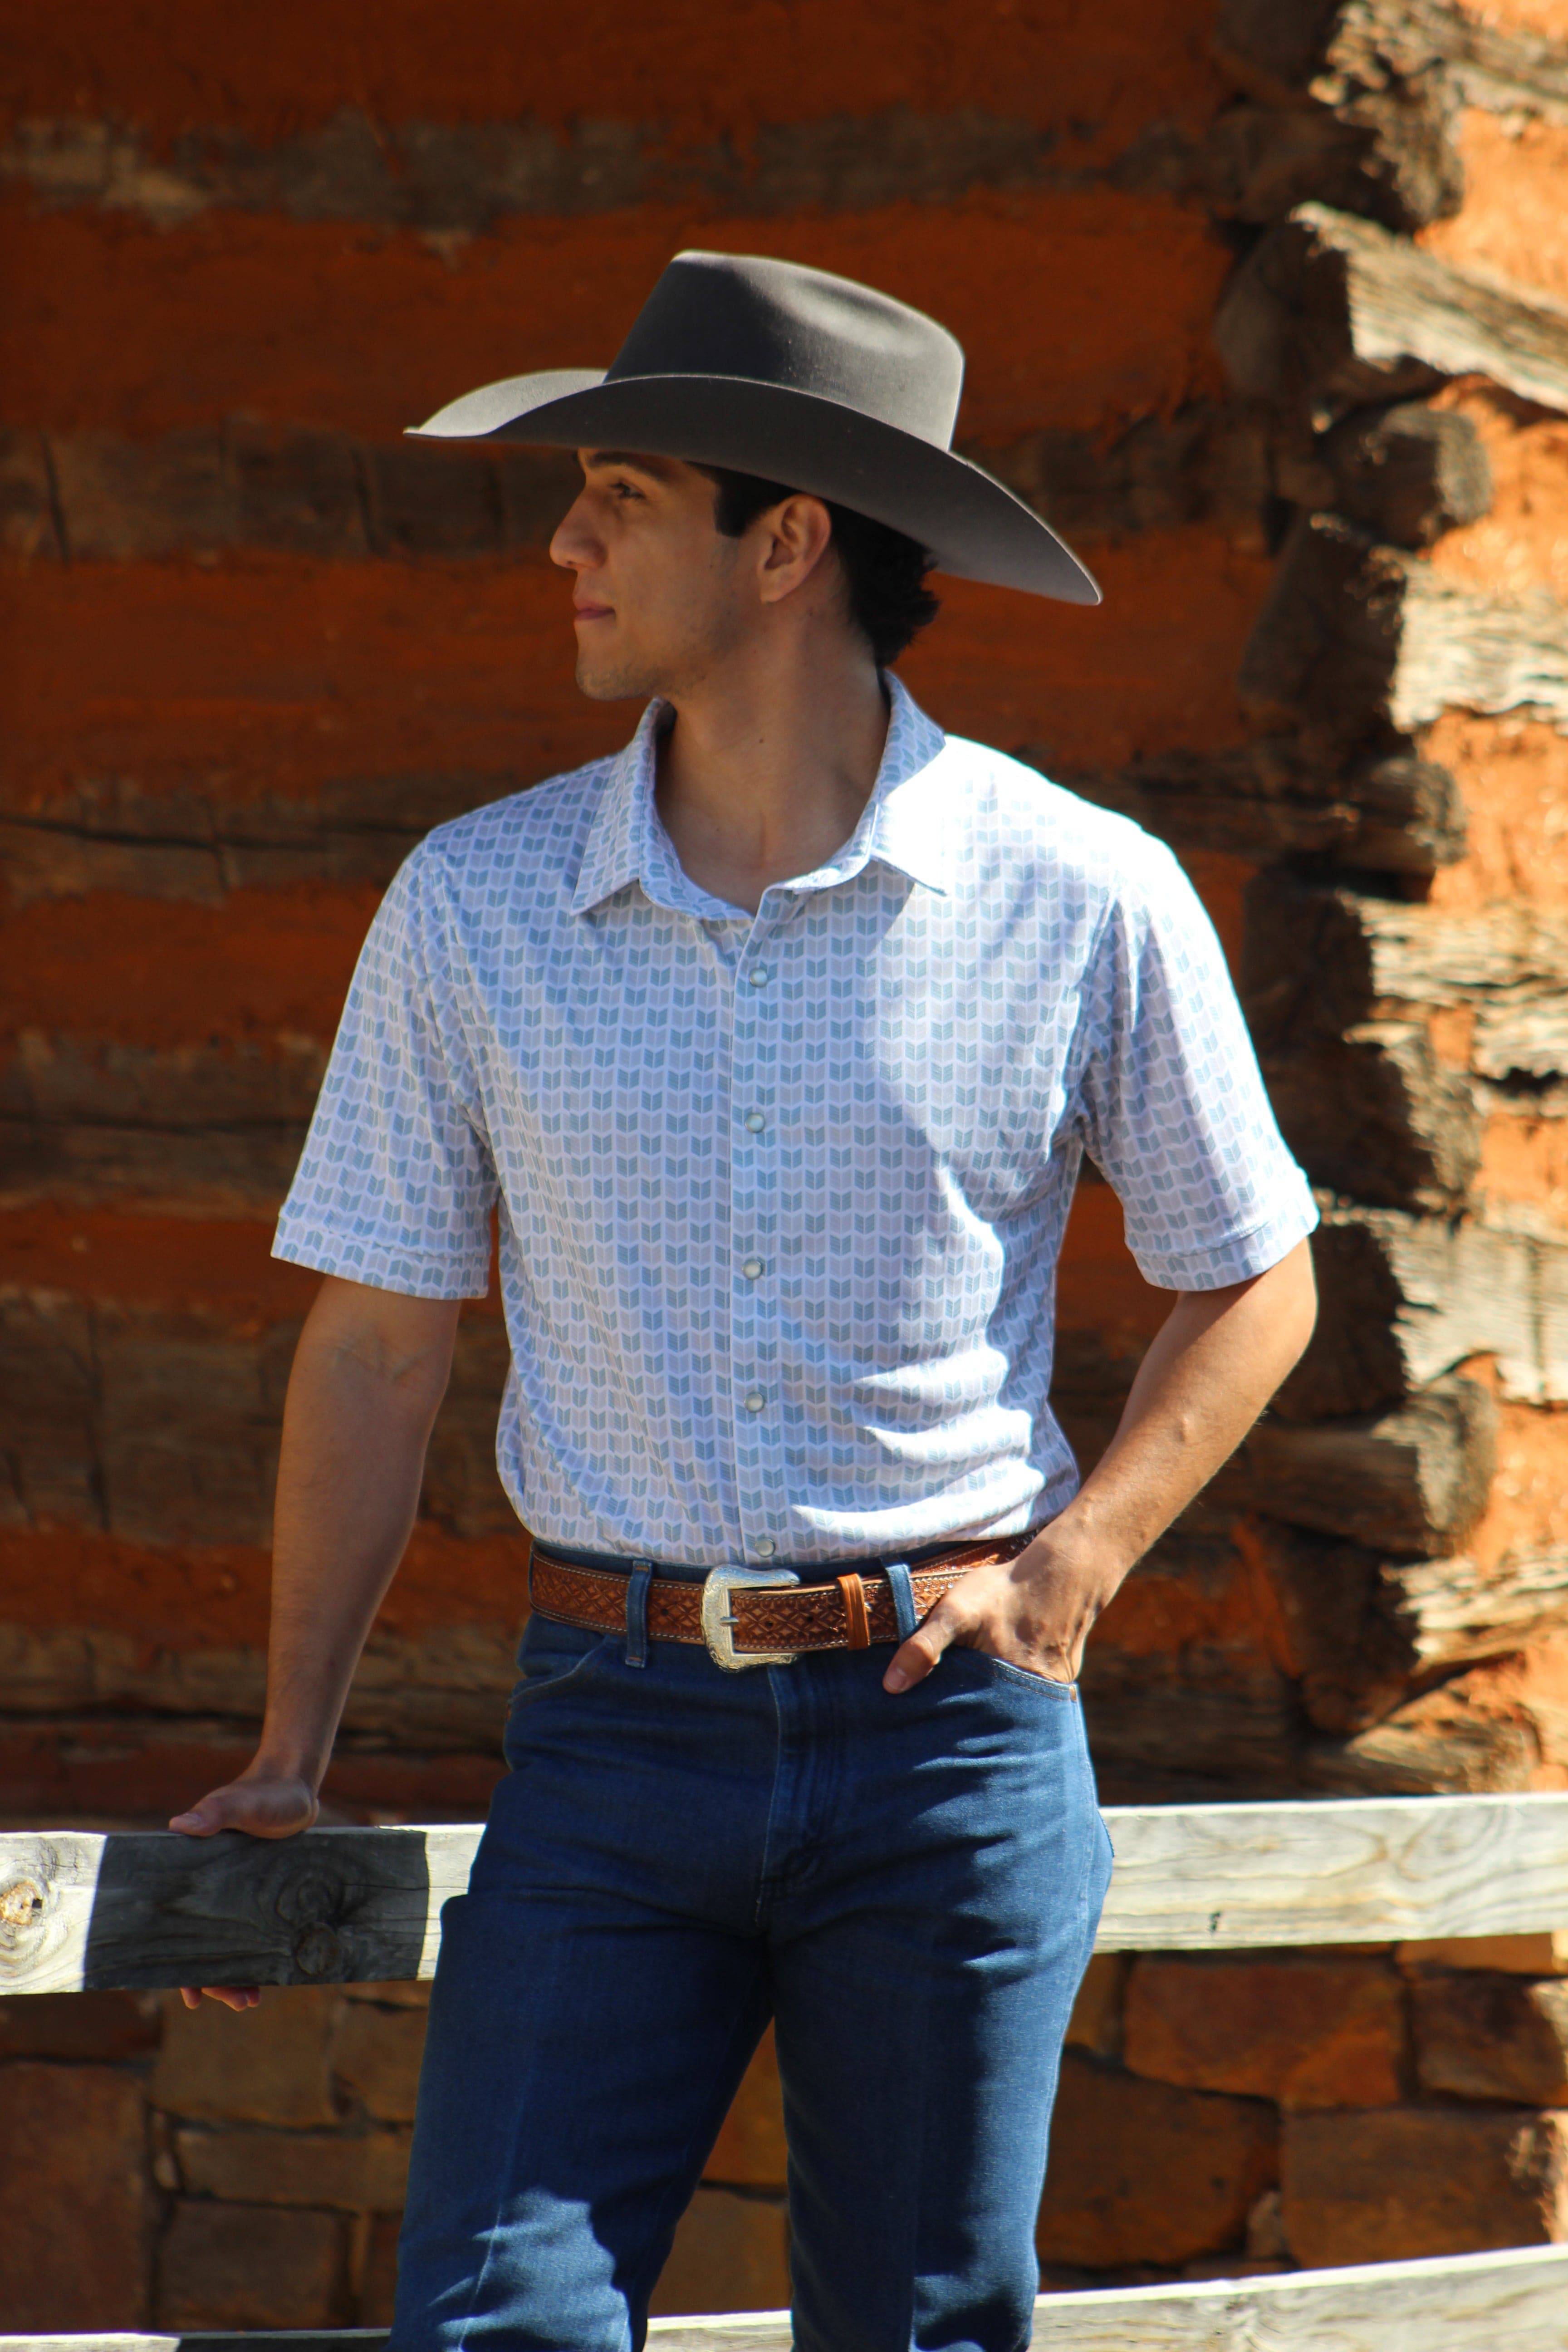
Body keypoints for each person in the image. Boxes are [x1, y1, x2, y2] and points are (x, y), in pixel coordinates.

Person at [171, 252, 1319, 2352]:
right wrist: (288, 1747)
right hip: (607, 1734)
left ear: (786, 541)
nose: (563, 540)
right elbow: (378, 1339)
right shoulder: (476, 900)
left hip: (948, 1734)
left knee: (918, 2329)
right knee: (495, 2320)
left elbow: (1257, 1278)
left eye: (618, 489)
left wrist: (1075, 1569)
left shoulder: (1081, 894)